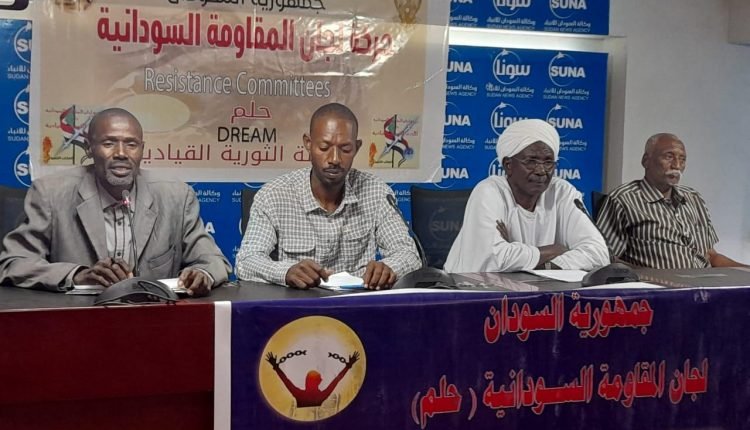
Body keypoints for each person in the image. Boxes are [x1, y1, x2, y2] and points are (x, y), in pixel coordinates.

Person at [0, 108, 231, 296]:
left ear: (142, 150)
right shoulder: (51, 193)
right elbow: (13, 263)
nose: (121, 153)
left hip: (154, 321)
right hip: (78, 321)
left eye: (131, 144)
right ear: (89, 148)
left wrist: (202, 274)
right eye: (109, 143)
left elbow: (213, 260)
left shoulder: (176, 196)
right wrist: (77, 275)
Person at [235, 102, 421, 290]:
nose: (334, 159)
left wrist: (388, 269)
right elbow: (246, 261)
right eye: (324, 147)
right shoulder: (273, 195)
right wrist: (285, 272)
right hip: (298, 303)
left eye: (345, 149)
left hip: (357, 301)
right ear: (308, 143)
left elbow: (409, 255)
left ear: (357, 147)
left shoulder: (377, 192)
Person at [445, 119, 609, 273]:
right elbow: (493, 259)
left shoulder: (562, 192)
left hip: (539, 287)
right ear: (508, 165)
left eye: (548, 162)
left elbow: (598, 253)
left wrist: (543, 265)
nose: (541, 171)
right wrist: (552, 250)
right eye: (531, 161)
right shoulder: (489, 192)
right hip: (468, 287)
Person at [596, 133, 744, 269]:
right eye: (669, 157)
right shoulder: (623, 199)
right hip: (658, 286)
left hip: (705, 283)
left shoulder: (694, 198)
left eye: (682, 159)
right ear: (646, 161)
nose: (677, 166)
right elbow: (606, 258)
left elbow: (710, 255)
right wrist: (647, 276)